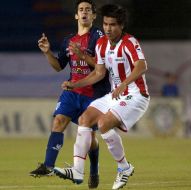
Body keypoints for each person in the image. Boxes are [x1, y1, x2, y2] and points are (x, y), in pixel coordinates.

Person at [53, 4, 150, 190]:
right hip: (115, 94)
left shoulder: (130, 42)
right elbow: (98, 73)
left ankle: (124, 168)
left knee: (104, 123)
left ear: (121, 26)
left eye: (112, 25)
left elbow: (141, 66)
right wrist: (75, 84)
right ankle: (78, 170)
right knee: (85, 119)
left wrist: (123, 83)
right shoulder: (101, 44)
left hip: (136, 95)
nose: (107, 28)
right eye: (105, 24)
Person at [29, 0, 110, 188]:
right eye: (81, 10)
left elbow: (102, 68)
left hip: (94, 93)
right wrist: (48, 52)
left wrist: (84, 56)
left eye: (88, 10)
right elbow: (59, 67)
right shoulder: (68, 40)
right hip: (73, 91)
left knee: (89, 139)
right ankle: (48, 166)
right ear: (76, 15)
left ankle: (94, 169)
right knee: (58, 121)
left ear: (94, 16)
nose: (84, 13)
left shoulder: (98, 36)